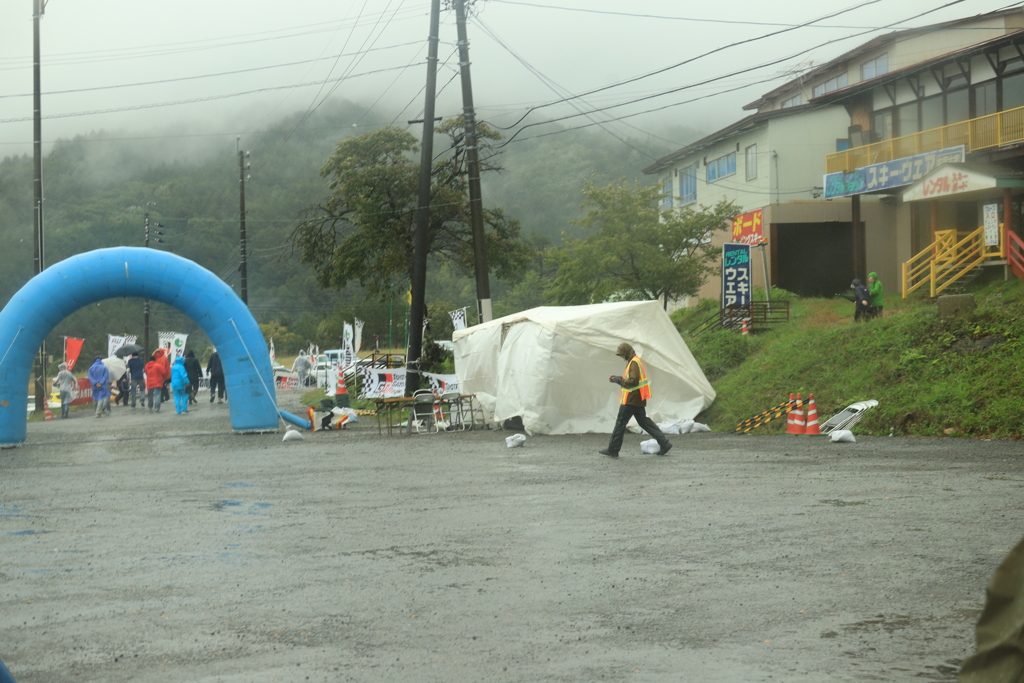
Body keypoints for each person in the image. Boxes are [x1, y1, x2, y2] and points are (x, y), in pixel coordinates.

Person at [599, 342, 673, 458]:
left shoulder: (633, 362)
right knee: (644, 422)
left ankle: (613, 449)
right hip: (637, 398)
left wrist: (619, 381)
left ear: (626, 352)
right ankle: (664, 443)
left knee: (620, 423)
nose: (622, 357)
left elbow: (633, 381)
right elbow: (632, 379)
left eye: (622, 354)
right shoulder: (635, 361)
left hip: (631, 399)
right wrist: (619, 378)